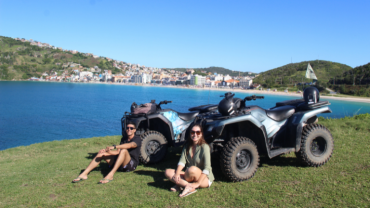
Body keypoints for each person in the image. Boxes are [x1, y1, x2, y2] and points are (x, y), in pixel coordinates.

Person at [72, 121, 141, 184]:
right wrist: (107, 151)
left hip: (130, 165)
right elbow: (117, 152)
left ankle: (110, 175)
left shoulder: (137, 139)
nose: (129, 129)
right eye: (128, 127)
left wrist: (114, 146)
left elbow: (129, 145)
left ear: (135, 130)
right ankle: (84, 174)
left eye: (131, 128)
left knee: (124, 150)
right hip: (120, 163)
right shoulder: (124, 139)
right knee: (101, 154)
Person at [165, 124, 214, 197]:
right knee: (167, 172)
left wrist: (197, 183)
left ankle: (180, 185)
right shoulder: (187, 146)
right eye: (192, 132)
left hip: (203, 178)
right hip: (189, 175)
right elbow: (182, 162)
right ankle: (188, 186)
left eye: (198, 132)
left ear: (201, 134)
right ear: (190, 133)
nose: (195, 134)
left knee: (192, 169)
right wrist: (177, 174)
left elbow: (207, 168)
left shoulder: (205, 147)